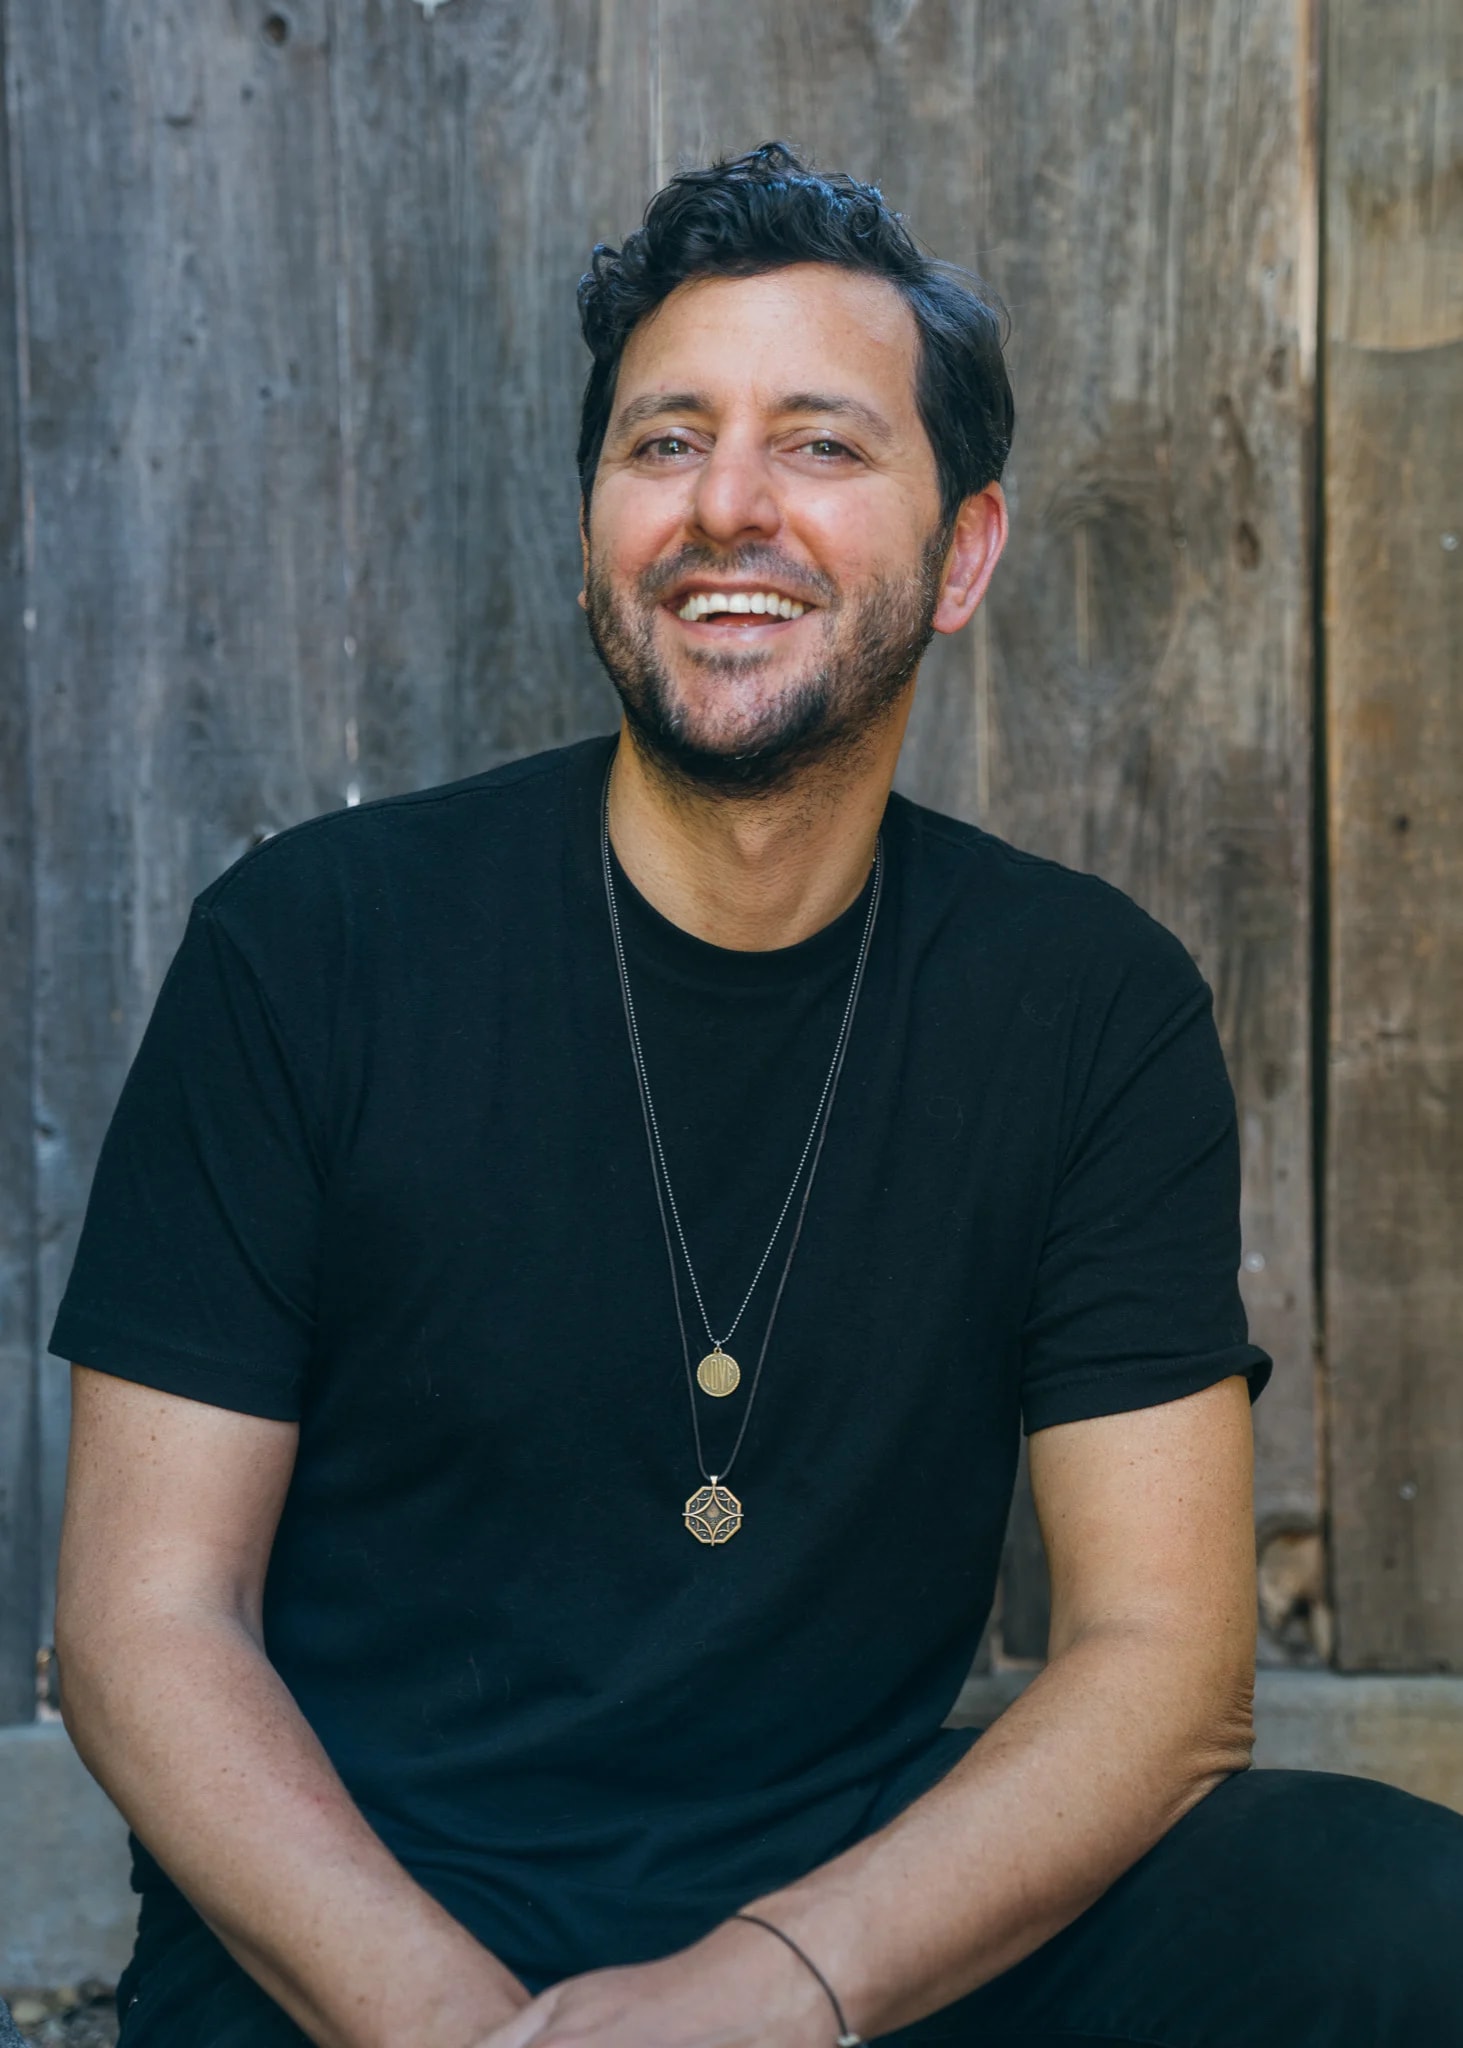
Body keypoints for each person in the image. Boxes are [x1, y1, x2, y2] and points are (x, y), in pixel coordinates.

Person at [50, 142, 1462, 2048]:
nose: (729, 505)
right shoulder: (312, 946)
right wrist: (460, 2027)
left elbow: (1166, 1662)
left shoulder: (1086, 1005)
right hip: (366, 1909)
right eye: (666, 443)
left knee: (1399, 1916)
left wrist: (771, 1990)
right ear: (594, 525)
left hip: (842, 1901)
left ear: (963, 552)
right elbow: (143, 1624)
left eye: (819, 444)